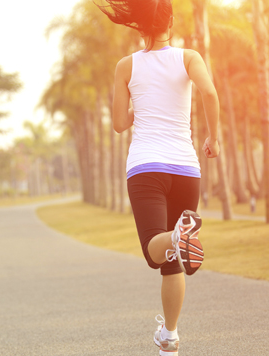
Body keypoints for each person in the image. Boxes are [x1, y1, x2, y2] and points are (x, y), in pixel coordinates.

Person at [96, 0, 220, 354]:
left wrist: (139, 108)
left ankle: (179, 235)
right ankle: (169, 335)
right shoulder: (189, 57)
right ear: (170, 21)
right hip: (185, 168)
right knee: (172, 260)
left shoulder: (126, 66)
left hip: (146, 167)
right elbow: (209, 92)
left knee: (156, 251)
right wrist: (213, 137)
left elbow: (120, 124)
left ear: (138, 25)